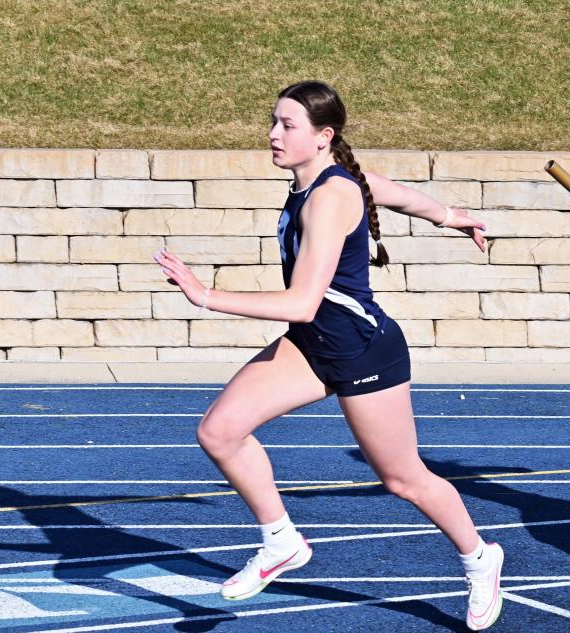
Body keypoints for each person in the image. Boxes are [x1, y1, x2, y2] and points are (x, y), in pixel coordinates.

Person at [154, 80, 503, 630]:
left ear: (323, 136)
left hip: (363, 350)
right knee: (220, 432)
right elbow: (398, 194)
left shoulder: (331, 196)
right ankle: (281, 542)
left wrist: (206, 295)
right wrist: (447, 215)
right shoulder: (329, 179)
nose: (272, 134)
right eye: (273, 121)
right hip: (313, 344)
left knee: (404, 478)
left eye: (287, 126)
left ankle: (480, 559)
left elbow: (303, 301)